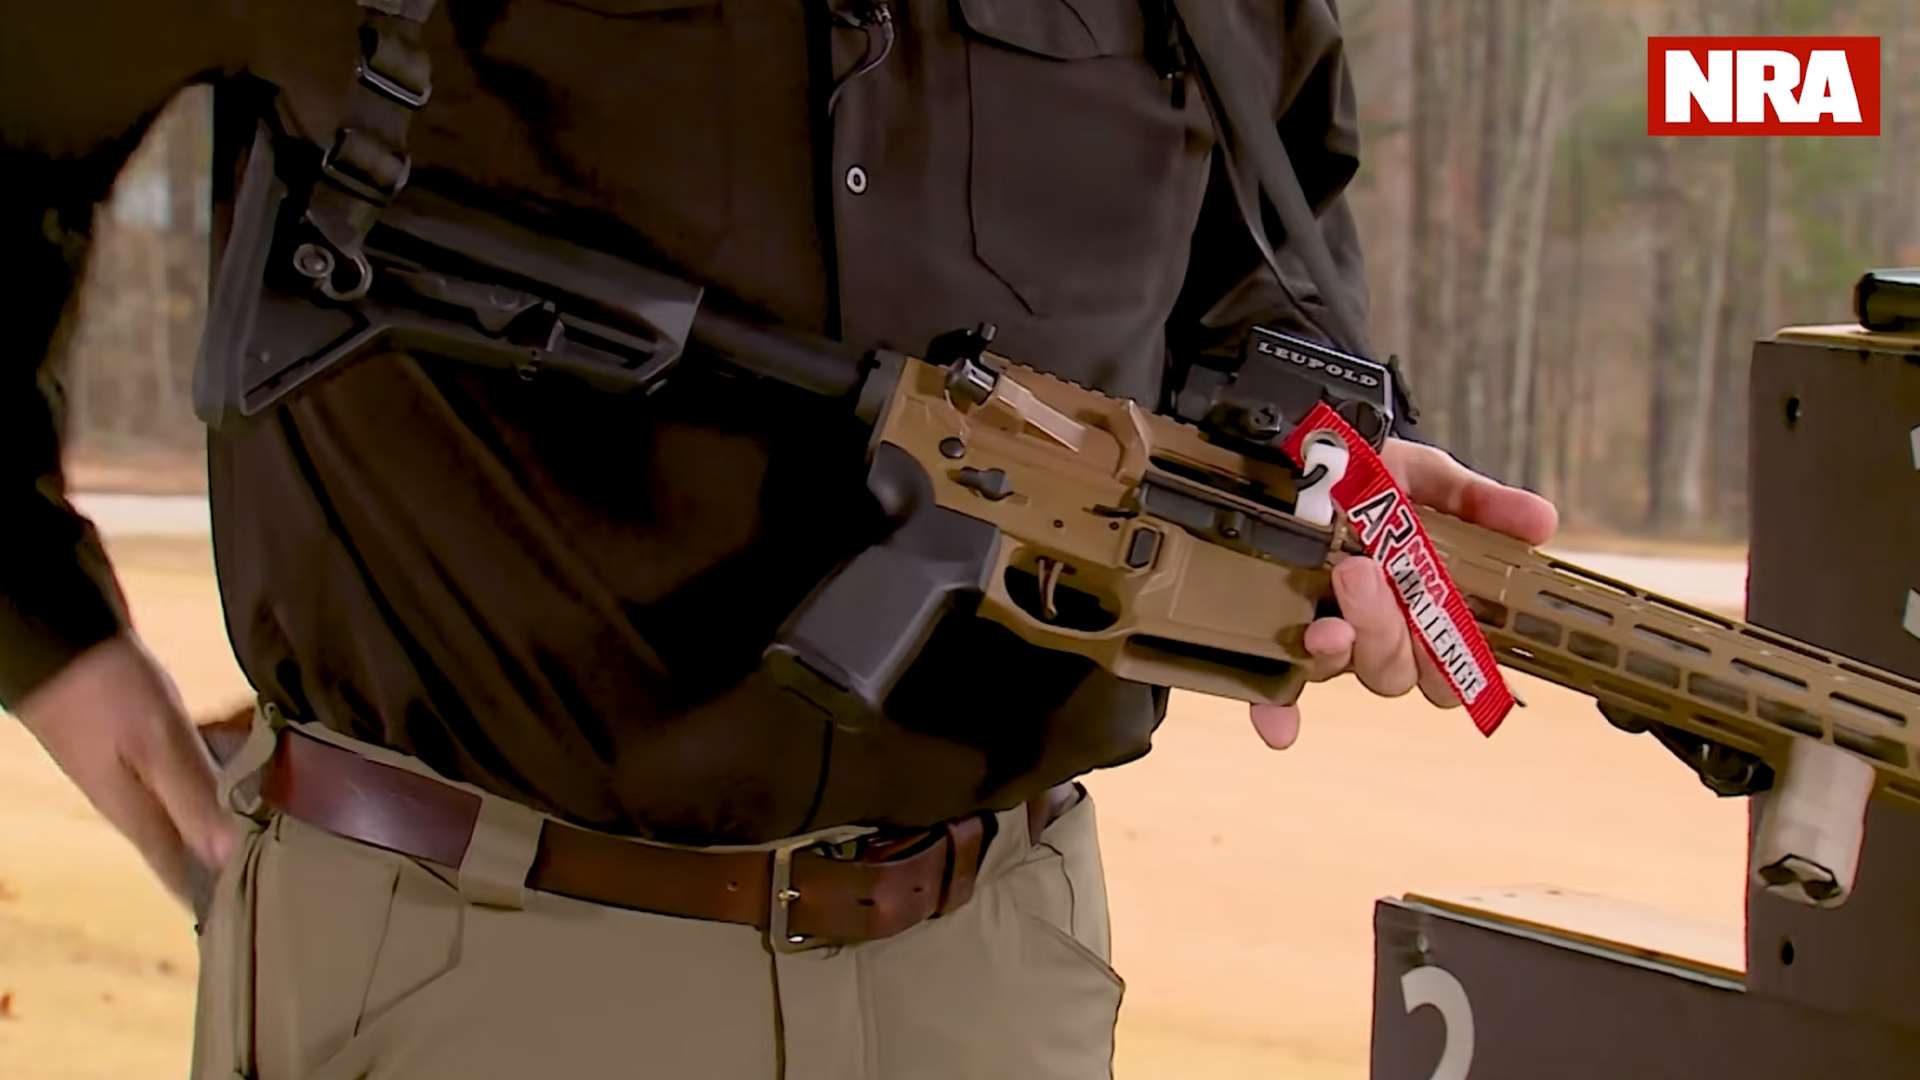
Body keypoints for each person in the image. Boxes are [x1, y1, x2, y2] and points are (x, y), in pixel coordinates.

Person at [2, 2, 1557, 1077]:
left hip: (994, 984)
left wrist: (1317, 456)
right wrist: (41, 627)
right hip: (463, 976)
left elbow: (1267, 250)